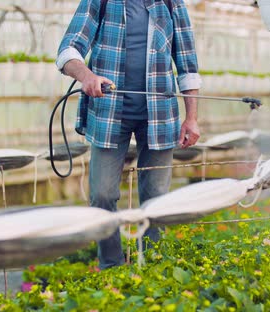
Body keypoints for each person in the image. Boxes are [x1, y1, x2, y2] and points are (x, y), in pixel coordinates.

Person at [56, 0, 201, 269]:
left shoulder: (171, 3)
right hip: (110, 113)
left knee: (157, 197)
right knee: (102, 195)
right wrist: (86, 75)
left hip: (159, 115)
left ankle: (154, 266)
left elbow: (187, 65)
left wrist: (191, 118)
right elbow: (68, 50)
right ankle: (110, 266)